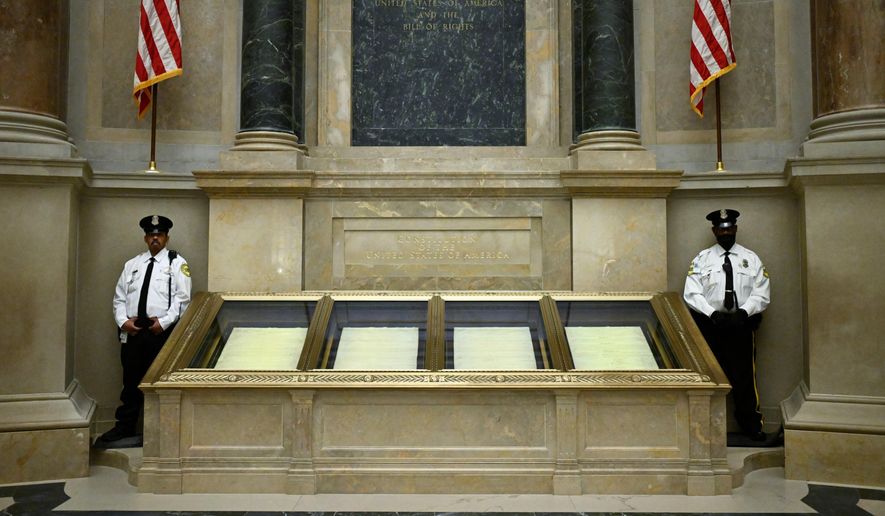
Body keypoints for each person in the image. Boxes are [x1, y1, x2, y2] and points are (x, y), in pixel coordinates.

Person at [94, 215, 192, 448]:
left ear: (167, 237)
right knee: (130, 381)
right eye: (151, 234)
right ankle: (125, 426)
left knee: (160, 383)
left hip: (160, 333)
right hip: (133, 331)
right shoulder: (132, 265)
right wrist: (123, 322)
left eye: (159, 234)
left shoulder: (176, 263)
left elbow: (183, 298)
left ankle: (162, 430)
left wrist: (164, 323)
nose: (155, 238)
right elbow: (119, 298)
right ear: (145, 238)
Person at [683, 209, 772, 444]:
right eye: (721, 229)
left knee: (744, 378)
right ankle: (705, 430)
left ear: (735, 229)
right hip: (711, 327)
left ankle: (751, 426)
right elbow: (692, 293)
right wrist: (712, 314)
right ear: (714, 231)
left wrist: (744, 312)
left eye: (729, 228)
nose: (725, 233)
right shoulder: (701, 259)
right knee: (709, 379)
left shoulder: (751, 258)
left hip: (742, 326)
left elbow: (761, 292)